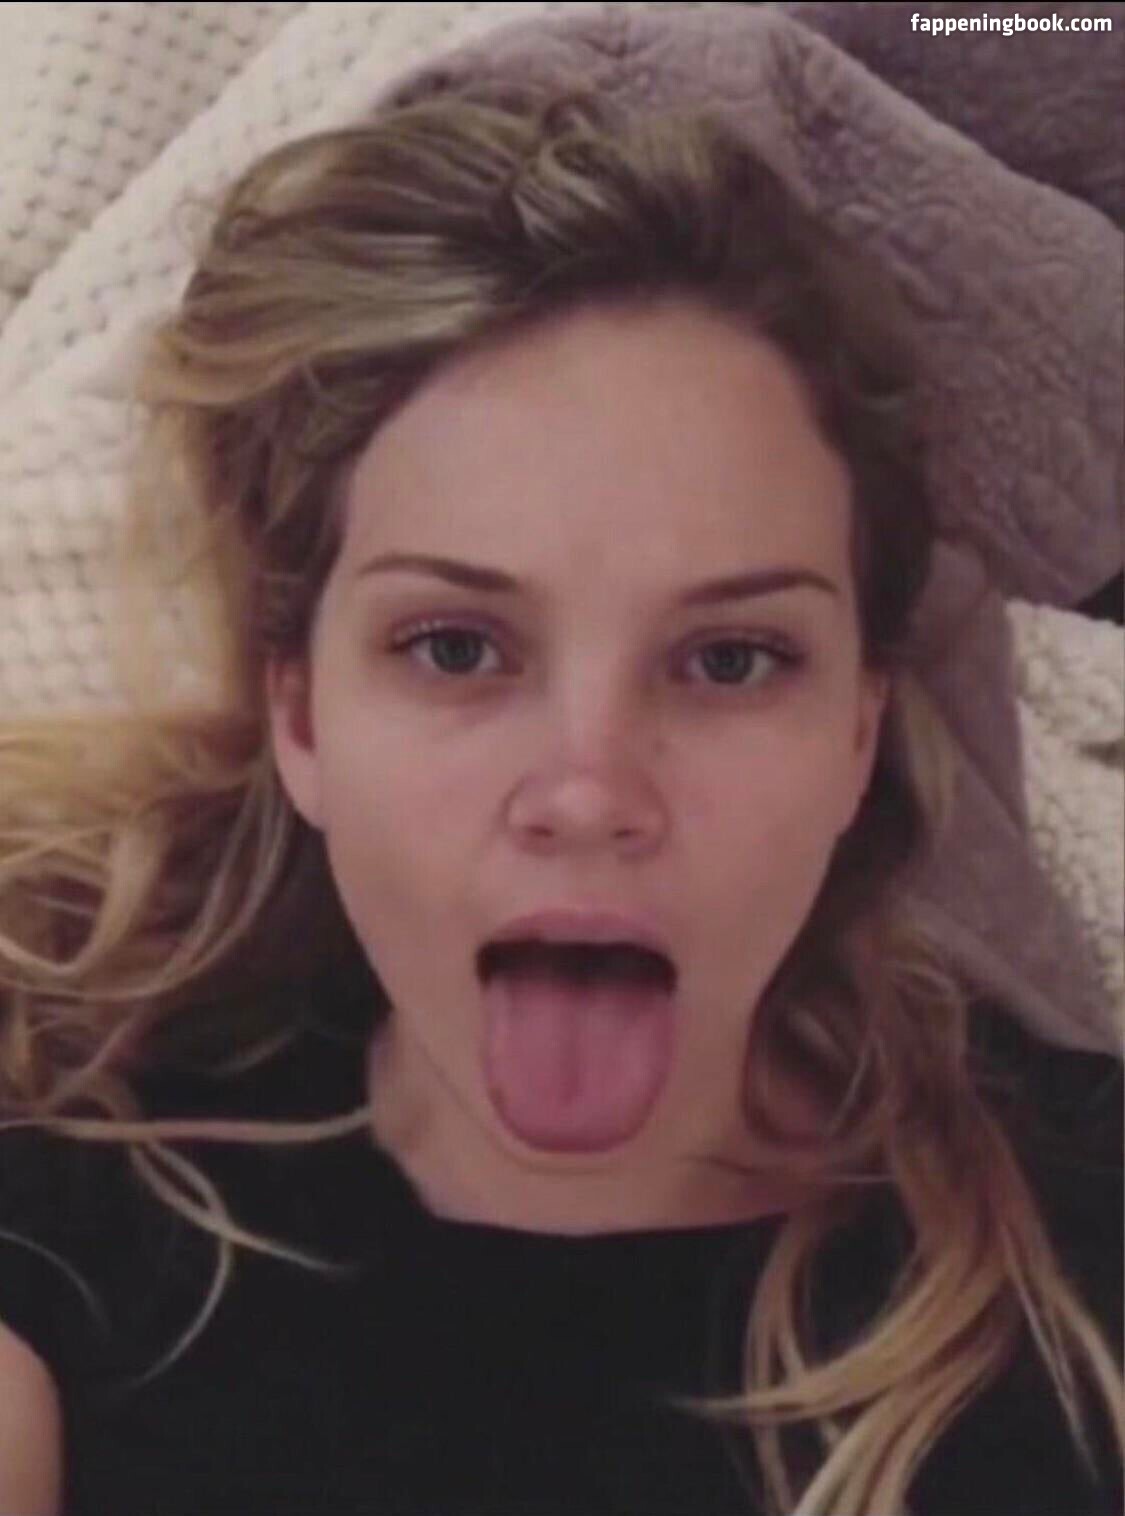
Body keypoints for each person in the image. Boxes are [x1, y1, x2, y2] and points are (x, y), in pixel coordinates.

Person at [0, 84, 1121, 1516]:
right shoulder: (69, 1241)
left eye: (729, 659)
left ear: (858, 734)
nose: (590, 793)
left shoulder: (1092, 1257)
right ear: (302, 719)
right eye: (455, 648)